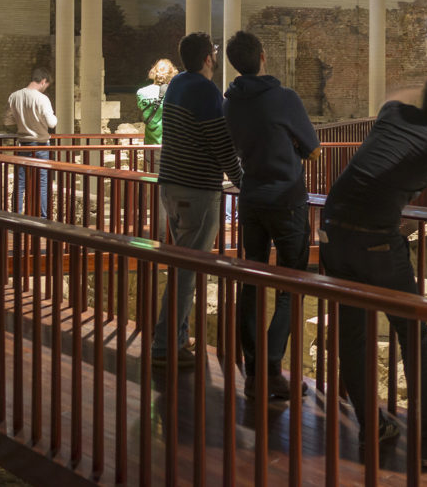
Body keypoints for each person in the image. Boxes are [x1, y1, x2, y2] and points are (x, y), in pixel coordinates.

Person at [320, 71, 427, 469]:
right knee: (414, 332)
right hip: (376, 241)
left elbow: (395, 94)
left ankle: (372, 426)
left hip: (332, 230)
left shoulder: (393, 113)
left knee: (353, 333)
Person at [223, 31, 321, 400]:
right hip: (286, 200)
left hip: (251, 199)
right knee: (291, 286)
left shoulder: (230, 103)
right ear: (263, 56)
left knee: (252, 281)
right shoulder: (284, 98)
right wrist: (294, 146)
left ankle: (253, 373)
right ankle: (271, 369)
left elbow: (237, 145)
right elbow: (313, 149)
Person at [152, 32, 242, 368]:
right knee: (187, 272)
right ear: (208, 58)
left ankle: (177, 337)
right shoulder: (204, 90)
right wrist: (242, 182)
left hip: (171, 187)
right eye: (214, 52)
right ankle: (165, 347)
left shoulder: (177, 84)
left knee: (181, 265)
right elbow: (221, 144)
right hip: (196, 191)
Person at [3, 67, 57, 218]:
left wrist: (22, 120)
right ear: (43, 81)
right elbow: (51, 123)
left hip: (23, 145)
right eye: (47, 85)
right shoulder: (42, 99)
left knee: (20, 183)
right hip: (41, 145)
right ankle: (44, 218)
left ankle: (16, 217)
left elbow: (7, 121)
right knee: (43, 183)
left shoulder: (14, 96)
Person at [136, 58, 178, 146]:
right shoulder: (175, 93)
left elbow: (141, 116)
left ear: (153, 72)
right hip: (170, 147)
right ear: (172, 74)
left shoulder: (141, 92)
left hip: (149, 146)